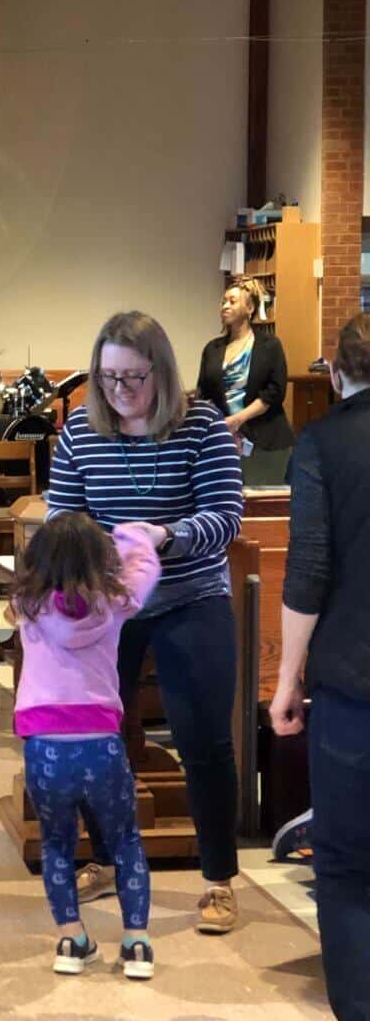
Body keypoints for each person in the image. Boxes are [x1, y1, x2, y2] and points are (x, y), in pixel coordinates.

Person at [48, 311, 244, 933]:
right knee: (94, 740)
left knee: (203, 737)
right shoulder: (80, 429)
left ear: (161, 370)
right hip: (108, 605)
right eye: (107, 378)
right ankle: (104, 859)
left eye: (133, 377)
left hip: (189, 596)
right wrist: (87, 551)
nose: (120, 391)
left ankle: (218, 881)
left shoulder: (202, 427)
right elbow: (61, 517)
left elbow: (225, 515)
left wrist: (168, 536)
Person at [270, 312, 370, 1021]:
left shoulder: (323, 441)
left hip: (353, 681)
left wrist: (284, 683)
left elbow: (307, 571)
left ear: (335, 373)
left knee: (346, 865)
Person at [12, 512, 159, 978]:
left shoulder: (26, 603)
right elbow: (144, 570)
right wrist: (134, 536)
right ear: (101, 561)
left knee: (56, 844)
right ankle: (136, 943)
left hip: (44, 746)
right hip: (101, 743)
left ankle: (72, 941)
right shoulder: (115, 602)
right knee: (125, 841)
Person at [197, 276, 294, 484]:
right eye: (223, 301)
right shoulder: (212, 349)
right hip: (224, 440)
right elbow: (203, 393)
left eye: (232, 301)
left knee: (263, 507)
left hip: (266, 440)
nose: (225, 306)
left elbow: (275, 392)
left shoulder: (270, 345)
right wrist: (222, 424)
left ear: (250, 308)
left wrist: (238, 419)